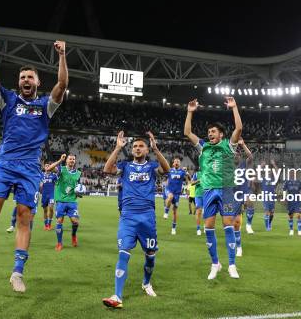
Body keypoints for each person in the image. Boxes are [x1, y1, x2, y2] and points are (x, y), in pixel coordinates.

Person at [0, 28, 68, 293]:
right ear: (19, 82)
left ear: (37, 82)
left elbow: (63, 85)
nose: (26, 80)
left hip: (31, 169)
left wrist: (62, 56)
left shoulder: (46, 105)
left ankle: (18, 273)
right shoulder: (8, 99)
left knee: (24, 218)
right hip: (6, 163)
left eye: (30, 76)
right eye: (22, 77)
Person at [102, 131, 170, 309]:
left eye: (141, 146)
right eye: (134, 146)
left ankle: (146, 283)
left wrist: (157, 149)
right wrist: (117, 148)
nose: (137, 148)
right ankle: (117, 296)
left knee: (150, 255)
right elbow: (107, 170)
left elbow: (167, 170)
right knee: (123, 251)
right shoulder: (125, 166)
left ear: (147, 150)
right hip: (128, 216)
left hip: (147, 216)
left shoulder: (152, 166)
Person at [184, 97, 242, 280]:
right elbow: (187, 132)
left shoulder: (228, 145)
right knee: (208, 227)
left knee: (228, 225)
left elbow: (238, 129)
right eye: (209, 132)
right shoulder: (203, 147)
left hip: (225, 190)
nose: (210, 134)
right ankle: (215, 263)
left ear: (221, 134)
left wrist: (234, 108)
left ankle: (232, 264)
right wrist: (190, 112)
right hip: (208, 190)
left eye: (213, 131)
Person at [47, 153, 82, 250]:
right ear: (66, 160)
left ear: (75, 161)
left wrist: (79, 192)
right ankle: (59, 243)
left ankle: (73, 235)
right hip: (61, 201)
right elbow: (48, 169)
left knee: (75, 222)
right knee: (59, 221)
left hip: (72, 201)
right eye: (70, 159)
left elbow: (78, 188)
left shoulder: (78, 173)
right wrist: (60, 161)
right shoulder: (61, 169)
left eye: (73, 159)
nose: (71, 160)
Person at [233, 139, 253, 257]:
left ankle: (249, 225)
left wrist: (243, 144)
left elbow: (250, 157)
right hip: (232, 196)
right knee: (234, 224)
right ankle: (237, 245)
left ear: (240, 157)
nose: (236, 156)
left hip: (243, 193)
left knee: (250, 201)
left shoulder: (243, 165)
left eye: (237, 154)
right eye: (234, 154)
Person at [163, 157, 187, 235]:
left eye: (178, 161)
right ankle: (166, 211)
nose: (176, 162)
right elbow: (164, 175)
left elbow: (188, 179)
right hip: (169, 190)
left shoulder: (182, 172)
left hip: (177, 193)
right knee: (170, 197)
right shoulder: (170, 171)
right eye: (175, 161)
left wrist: (187, 173)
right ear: (173, 163)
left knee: (174, 212)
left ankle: (173, 228)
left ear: (180, 164)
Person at [40, 160, 58, 230]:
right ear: (44, 167)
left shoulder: (53, 175)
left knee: (51, 208)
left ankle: (49, 224)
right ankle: (46, 225)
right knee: (45, 210)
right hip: (44, 195)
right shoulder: (41, 175)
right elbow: (39, 185)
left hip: (51, 194)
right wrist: (40, 186)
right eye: (46, 166)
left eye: (48, 166)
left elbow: (58, 183)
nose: (47, 167)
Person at [191, 169, 204, 236]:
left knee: (207, 212)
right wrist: (198, 181)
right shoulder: (197, 174)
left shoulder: (210, 173)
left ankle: (206, 226)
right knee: (199, 211)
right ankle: (198, 228)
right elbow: (192, 183)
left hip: (208, 194)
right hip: (198, 194)